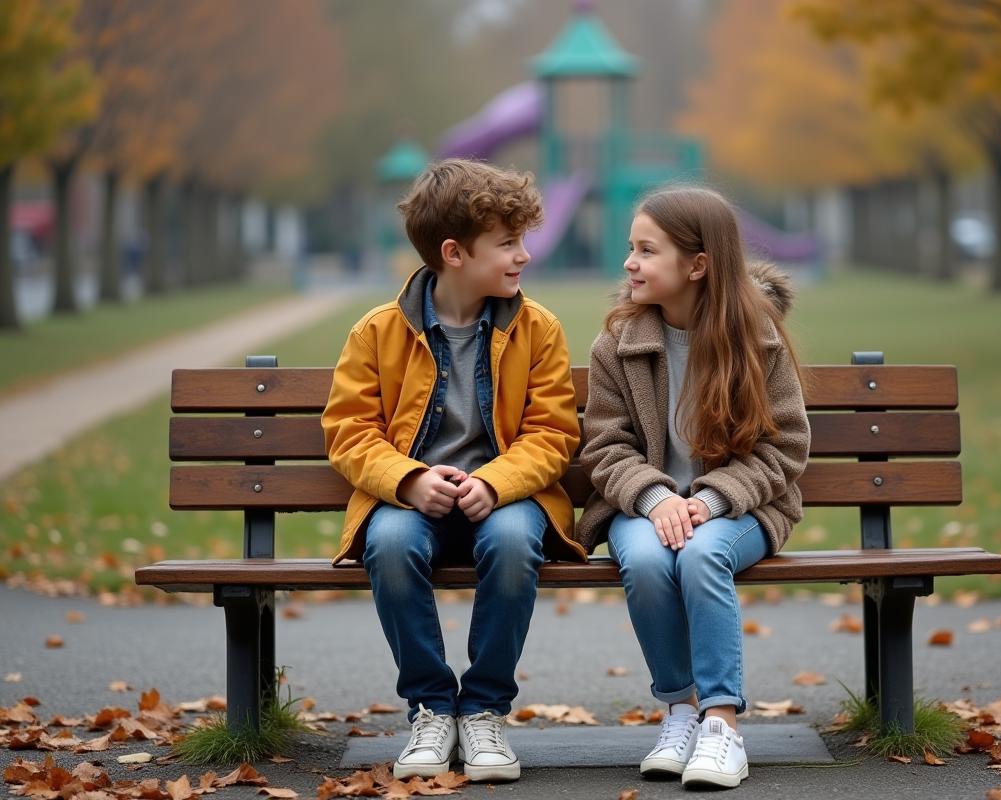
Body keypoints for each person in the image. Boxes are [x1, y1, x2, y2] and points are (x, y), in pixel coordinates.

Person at [322, 159, 585, 784]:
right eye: (508, 243)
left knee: (517, 538)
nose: (524, 255)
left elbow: (554, 434)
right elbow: (349, 431)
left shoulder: (538, 330)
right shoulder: (377, 333)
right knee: (387, 541)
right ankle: (432, 707)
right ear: (454, 253)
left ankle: (485, 709)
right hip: (413, 502)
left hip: (508, 500)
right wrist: (409, 480)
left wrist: (494, 483)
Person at [576, 186, 810, 789]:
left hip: (739, 508)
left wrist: (707, 502)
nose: (630, 262)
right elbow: (604, 446)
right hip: (642, 507)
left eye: (646, 250)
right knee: (651, 560)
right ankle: (681, 711)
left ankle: (722, 726)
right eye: (631, 248)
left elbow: (782, 447)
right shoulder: (617, 345)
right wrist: (656, 500)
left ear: (697, 265)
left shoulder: (756, 341)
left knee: (704, 553)